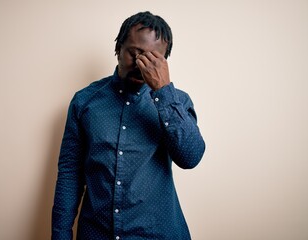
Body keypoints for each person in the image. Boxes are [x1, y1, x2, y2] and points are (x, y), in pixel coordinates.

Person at [52, 11, 205, 240]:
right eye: (134, 53)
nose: (141, 64)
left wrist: (163, 92)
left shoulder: (178, 103)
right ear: (118, 49)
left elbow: (191, 157)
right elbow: (70, 174)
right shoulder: (85, 102)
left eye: (153, 58)